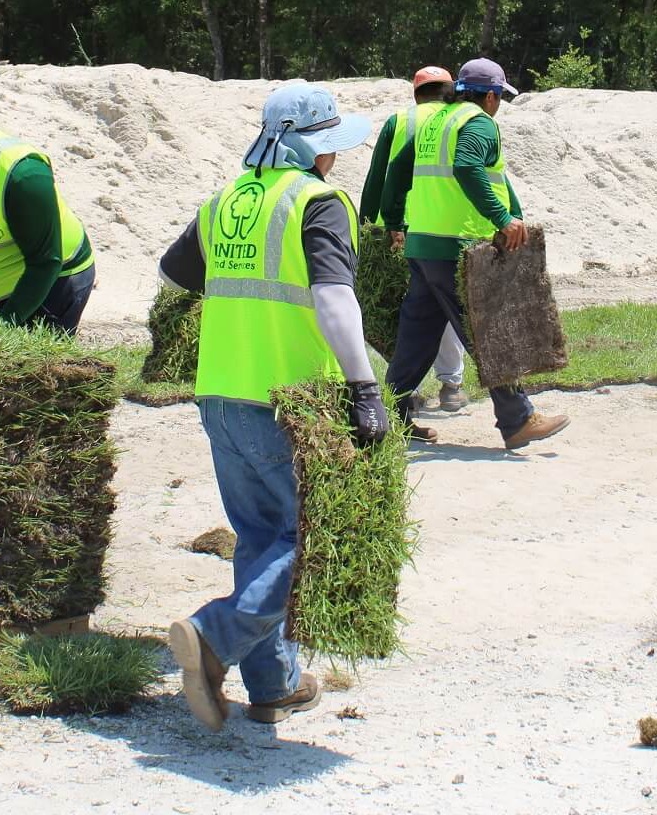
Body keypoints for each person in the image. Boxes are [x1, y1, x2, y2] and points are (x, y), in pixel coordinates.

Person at [159, 82, 387, 732]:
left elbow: (173, 276)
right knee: (302, 540)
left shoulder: (226, 199)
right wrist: (363, 388)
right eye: (330, 146)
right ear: (312, 149)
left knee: (260, 537)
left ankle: (274, 683)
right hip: (283, 401)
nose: (334, 159)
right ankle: (213, 636)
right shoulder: (318, 203)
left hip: (219, 394)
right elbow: (335, 301)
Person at [381, 57, 569, 450]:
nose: (498, 104)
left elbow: (398, 169)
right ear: (490, 95)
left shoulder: (434, 121)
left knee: (417, 336)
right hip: (457, 247)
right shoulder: (478, 123)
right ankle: (518, 419)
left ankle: (388, 417)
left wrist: (396, 222)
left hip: (424, 244)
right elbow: (468, 167)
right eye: (499, 97)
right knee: (484, 332)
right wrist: (502, 218)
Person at [359, 66, 469, 413]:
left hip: (401, 230)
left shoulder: (400, 120)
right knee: (446, 306)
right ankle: (452, 384)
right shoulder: (460, 118)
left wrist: (369, 224)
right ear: (450, 90)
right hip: (447, 227)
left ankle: (407, 390)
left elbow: (381, 175)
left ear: (415, 93)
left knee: (408, 312)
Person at [0, 85, 95, 334]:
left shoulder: (22, 177)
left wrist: (2, 329)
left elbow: (46, 262)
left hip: (53, 281)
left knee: (31, 369)